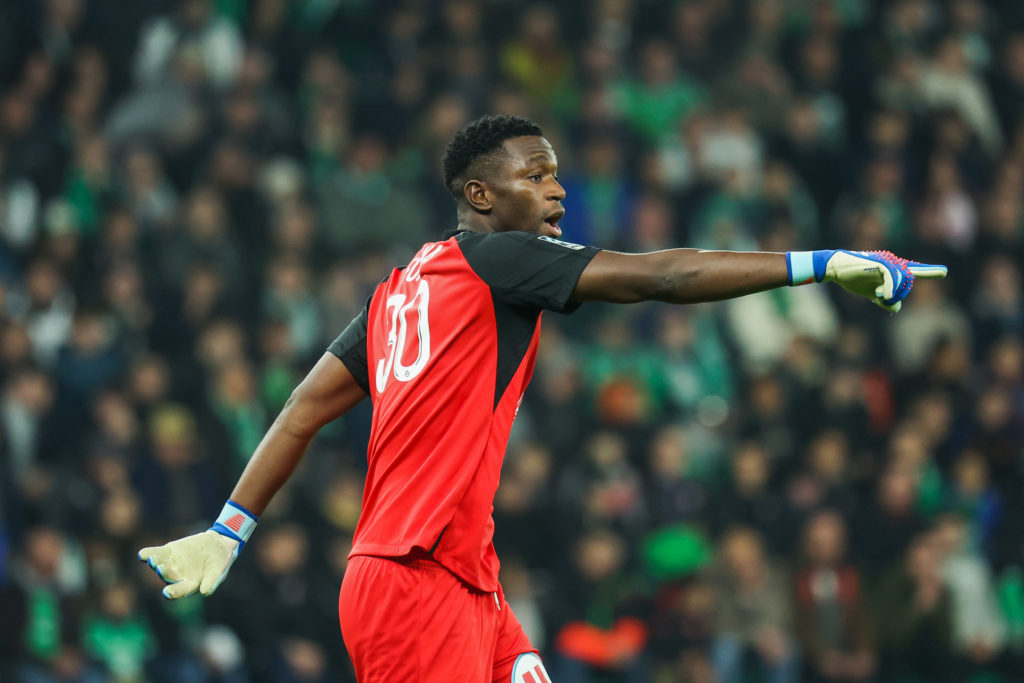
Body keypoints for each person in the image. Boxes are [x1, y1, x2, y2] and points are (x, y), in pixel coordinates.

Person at [138, 115, 946, 682]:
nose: (557, 191)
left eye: (555, 172)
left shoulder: (399, 291)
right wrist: (821, 262)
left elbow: (302, 409)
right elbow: (663, 276)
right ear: (481, 196)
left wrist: (229, 528)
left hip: (467, 579)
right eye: (535, 175)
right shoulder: (500, 259)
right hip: (414, 583)